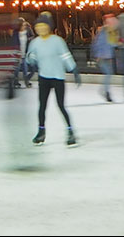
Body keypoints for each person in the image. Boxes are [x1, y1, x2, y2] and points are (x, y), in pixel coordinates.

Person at [24, 11, 77, 146]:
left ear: (48, 27)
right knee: (42, 106)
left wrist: (74, 69)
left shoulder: (57, 41)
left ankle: (70, 132)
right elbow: (32, 56)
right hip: (44, 78)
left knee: (60, 105)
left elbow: (66, 56)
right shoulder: (35, 42)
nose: (40, 29)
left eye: (43, 26)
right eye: (38, 26)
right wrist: (30, 61)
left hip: (58, 77)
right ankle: (41, 132)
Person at [90, 15, 117, 102]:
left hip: (107, 57)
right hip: (102, 57)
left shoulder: (110, 32)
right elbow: (98, 44)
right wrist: (98, 55)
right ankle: (105, 91)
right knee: (108, 73)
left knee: (109, 73)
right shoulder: (103, 32)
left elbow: (112, 44)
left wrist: (120, 41)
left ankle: (105, 90)